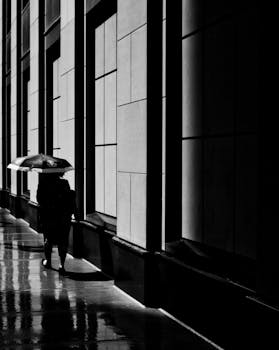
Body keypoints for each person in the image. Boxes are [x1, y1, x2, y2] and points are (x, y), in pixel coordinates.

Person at [37, 172, 76, 275]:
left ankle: (48, 261)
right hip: (63, 217)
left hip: (49, 217)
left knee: (48, 239)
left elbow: (39, 200)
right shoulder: (64, 183)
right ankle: (62, 265)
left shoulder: (43, 184)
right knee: (63, 240)